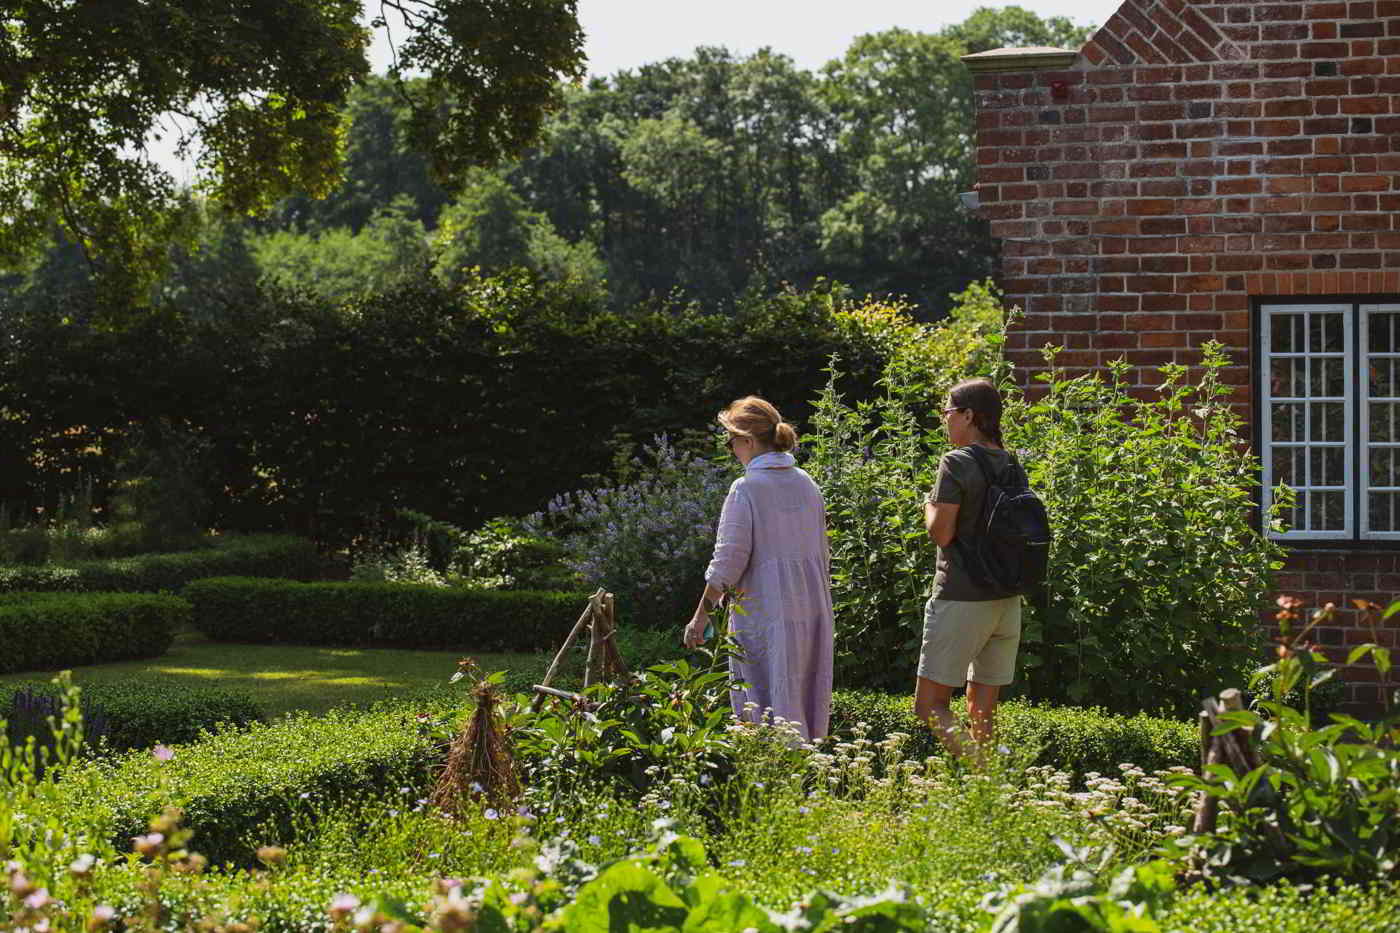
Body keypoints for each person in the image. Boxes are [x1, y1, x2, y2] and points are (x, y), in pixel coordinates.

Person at [683, 396, 834, 741]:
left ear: (748, 441)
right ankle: (805, 766)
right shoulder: (807, 483)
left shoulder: (746, 488)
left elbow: (727, 561)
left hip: (766, 611)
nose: (731, 449)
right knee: (802, 700)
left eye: (731, 441)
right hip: (811, 610)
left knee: (763, 706)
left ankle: (772, 768)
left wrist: (700, 618)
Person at [915, 377, 1021, 758]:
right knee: (982, 710)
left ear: (969, 415)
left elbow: (942, 533)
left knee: (929, 705)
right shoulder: (1011, 463)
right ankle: (990, 783)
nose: (944, 419)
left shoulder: (956, 461)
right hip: (1006, 600)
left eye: (947, 411)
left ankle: (988, 779)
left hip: (961, 596)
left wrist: (927, 507)